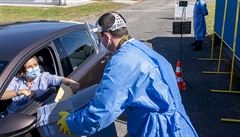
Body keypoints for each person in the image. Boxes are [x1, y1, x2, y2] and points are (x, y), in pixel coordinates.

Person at [57, 12, 198, 137]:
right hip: (178, 126)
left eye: (99, 38)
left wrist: (72, 122)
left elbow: (103, 110)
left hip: (157, 130)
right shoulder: (142, 49)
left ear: (106, 36)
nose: (101, 43)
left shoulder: (122, 62)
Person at [1, 56, 80, 114]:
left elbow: (58, 79)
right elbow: (1, 95)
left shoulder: (44, 77)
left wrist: (70, 82)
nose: (34, 68)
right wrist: (19, 92)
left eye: (35, 65)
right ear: (23, 71)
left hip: (30, 115)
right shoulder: (16, 80)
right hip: (10, 115)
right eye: (29, 67)